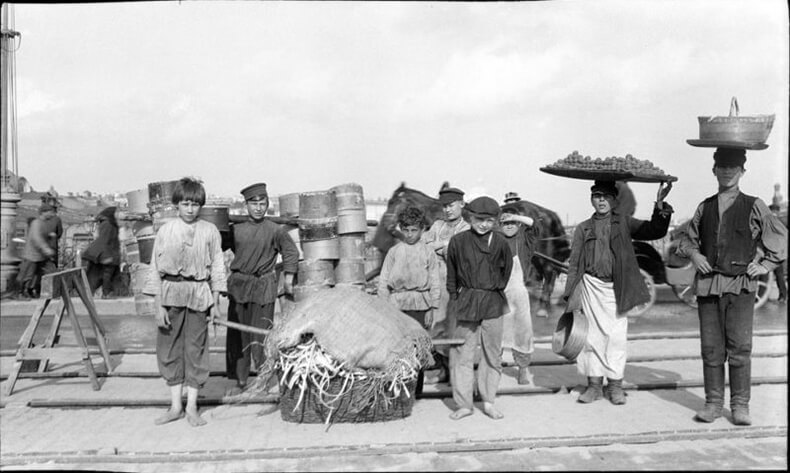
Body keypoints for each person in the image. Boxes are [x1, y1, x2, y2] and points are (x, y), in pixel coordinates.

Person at [677, 148, 786, 425]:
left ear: (743, 172)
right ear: (714, 170)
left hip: (741, 286)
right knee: (711, 349)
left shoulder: (755, 205)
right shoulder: (705, 207)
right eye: (722, 166)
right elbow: (686, 241)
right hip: (708, 286)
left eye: (733, 167)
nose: (727, 171)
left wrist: (764, 265)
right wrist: (695, 255)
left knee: (740, 348)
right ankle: (713, 403)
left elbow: (779, 237)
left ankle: (740, 406)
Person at [563, 180, 672, 406]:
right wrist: (571, 295)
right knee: (591, 339)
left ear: (614, 200)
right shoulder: (583, 228)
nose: (601, 200)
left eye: (606, 196)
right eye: (596, 196)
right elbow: (575, 263)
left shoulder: (624, 222)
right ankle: (594, 386)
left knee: (616, 338)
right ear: (591, 199)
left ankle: (615, 387)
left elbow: (655, 230)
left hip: (616, 288)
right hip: (591, 288)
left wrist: (660, 202)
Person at [143, 177, 227, 427]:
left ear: (201, 206)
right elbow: (155, 269)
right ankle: (175, 406)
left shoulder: (209, 231)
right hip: (170, 294)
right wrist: (158, 306)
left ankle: (191, 406)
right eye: (186, 204)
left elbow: (219, 269)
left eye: (195, 204)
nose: (190, 209)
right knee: (169, 350)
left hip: (199, 295)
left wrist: (216, 302)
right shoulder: (166, 230)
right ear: (177, 204)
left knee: (195, 350)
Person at [225, 182, 298, 393]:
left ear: (268, 204)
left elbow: (291, 252)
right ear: (246, 205)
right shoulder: (236, 229)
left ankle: (263, 379)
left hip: (264, 286)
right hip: (239, 286)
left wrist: (289, 278)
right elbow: (216, 244)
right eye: (253, 203)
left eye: (262, 203)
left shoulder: (275, 230)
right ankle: (239, 381)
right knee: (238, 335)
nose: (258, 207)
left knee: (261, 334)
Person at [446, 196, 513, 420]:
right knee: (461, 354)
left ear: (495, 221)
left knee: (492, 354)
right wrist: (456, 299)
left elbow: (507, 271)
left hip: (493, 302)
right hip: (466, 301)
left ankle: (488, 401)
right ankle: (464, 404)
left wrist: (492, 288)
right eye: (479, 219)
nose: (484, 224)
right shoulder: (458, 241)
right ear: (470, 217)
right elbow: (452, 274)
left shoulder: (501, 242)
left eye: (489, 220)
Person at [377, 205, 441, 395]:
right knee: (397, 346)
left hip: (420, 303)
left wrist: (432, 307)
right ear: (401, 229)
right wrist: (383, 306)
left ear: (422, 230)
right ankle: (398, 388)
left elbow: (435, 281)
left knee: (419, 347)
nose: (410, 234)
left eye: (414, 230)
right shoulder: (394, 252)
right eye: (406, 230)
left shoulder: (428, 252)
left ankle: (416, 390)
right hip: (396, 303)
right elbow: (383, 280)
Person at [421, 186, 470, 384]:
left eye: (451, 205)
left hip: (456, 286)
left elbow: (461, 252)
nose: (448, 210)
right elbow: (424, 246)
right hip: (436, 286)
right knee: (435, 327)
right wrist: (440, 246)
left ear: (461, 204)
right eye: (444, 207)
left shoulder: (467, 228)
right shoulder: (437, 226)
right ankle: (442, 370)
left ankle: (455, 372)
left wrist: (441, 246)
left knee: (454, 327)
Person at [499, 203, 537, 385]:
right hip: (499, 293)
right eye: (505, 223)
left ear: (519, 225)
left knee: (523, 331)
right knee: (496, 331)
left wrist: (515, 217)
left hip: (519, 292)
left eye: (513, 223)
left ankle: (523, 368)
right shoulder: (495, 241)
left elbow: (533, 224)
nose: (509, 226)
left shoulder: (525, 241)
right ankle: (494, 367)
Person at [16, 204, 59, 299]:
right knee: (27, 274)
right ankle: (21, 292)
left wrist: (50, 235)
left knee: (37, 275)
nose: (52, 215)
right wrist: (46, 249)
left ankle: (31, 290)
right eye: (50, 212)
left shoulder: (44, 223)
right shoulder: (36, 223)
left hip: (40, 255)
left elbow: (43, 236)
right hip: (32, 254)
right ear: (44, 212)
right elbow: (36, 238)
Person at [81, 206, 121, 298]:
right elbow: (103, 240)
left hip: (106, 254)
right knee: (106, 274)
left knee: (100, 275)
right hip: (106, 254)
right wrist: (106, 256)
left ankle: (96, 293)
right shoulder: (108, 224)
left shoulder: (109, 224)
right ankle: (106, 293)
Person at [768, 204, 787, 304]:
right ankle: (783, 296)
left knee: (777, 274)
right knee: (779, 274)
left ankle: (783, 296)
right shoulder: (782, 221)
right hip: (777, 252)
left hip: (774, 252)